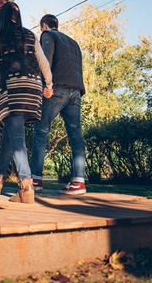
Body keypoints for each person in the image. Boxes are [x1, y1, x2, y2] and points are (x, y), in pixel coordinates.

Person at [0, 1, 53, 203]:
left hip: (11, 89)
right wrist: (49, 85)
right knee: (11, 135)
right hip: (32, 89)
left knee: (17, 138)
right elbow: (43, 62)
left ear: (1, 16)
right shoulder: (30, 35)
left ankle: (26, 186)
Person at [30, 14, 87, 195]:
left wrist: (45, 87)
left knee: (41, 130)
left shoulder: (48, 36)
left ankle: (36, 180)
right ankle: (78, 182)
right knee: (76, 135)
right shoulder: (73, 43)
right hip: (76, 90)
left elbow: (45, 62)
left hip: (57, 89)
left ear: (44, 26)